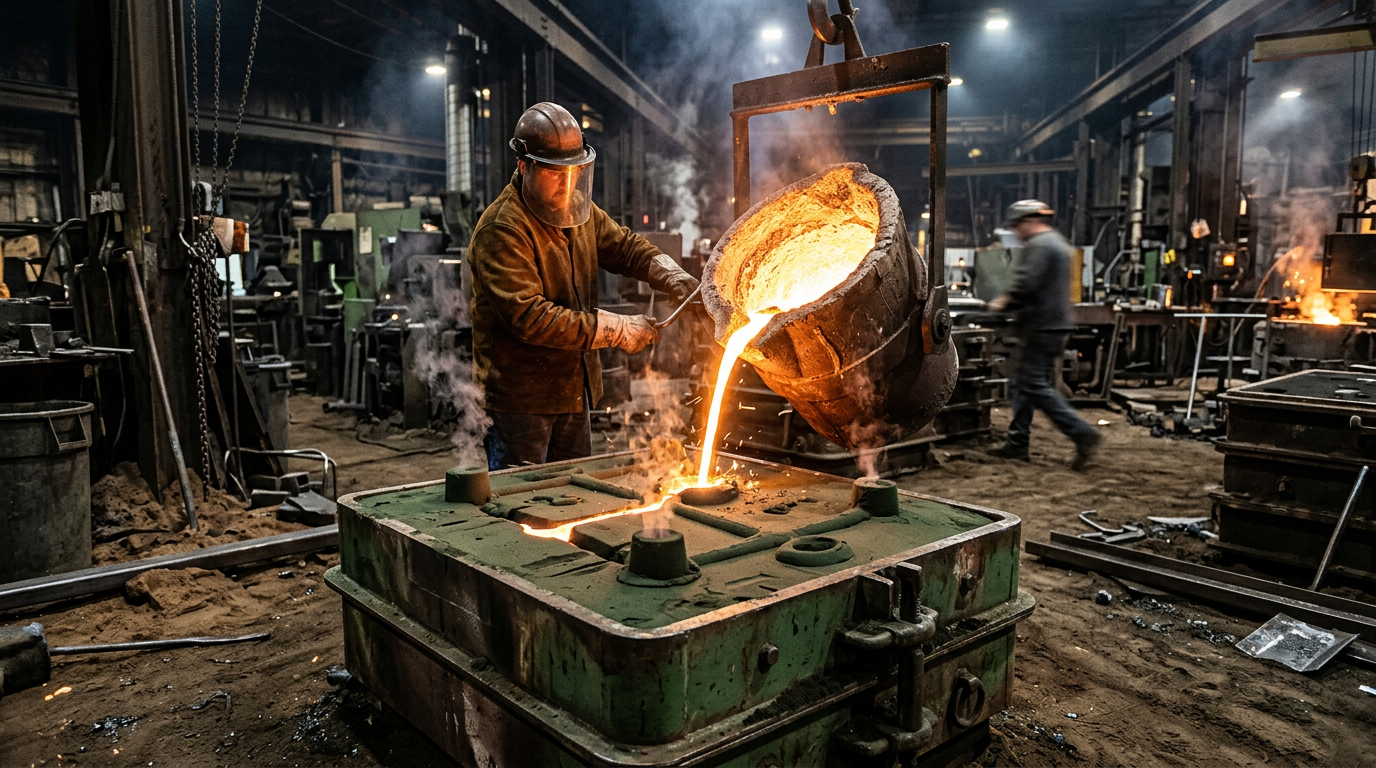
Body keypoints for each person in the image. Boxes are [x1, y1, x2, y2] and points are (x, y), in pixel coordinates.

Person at [467, 102, 699, 468]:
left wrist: (670, 273)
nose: (568, 183)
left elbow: (624, 246)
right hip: (521, 404)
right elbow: (531, 317)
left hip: (573, 391)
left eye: (575, 171)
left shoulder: (577, 208)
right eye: (556, 173)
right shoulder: (503, 228)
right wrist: (618, 329)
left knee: (575, 499)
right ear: (524, 165)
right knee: (524, 507)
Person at [986, 200, 1102, 470]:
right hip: (1054, 325)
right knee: (1023, 383)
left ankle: (1082, 433)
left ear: (1027, 222)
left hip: (1041, 326)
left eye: (1017, 227)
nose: (1017, 233)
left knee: (1033, 384)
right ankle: (1017, 442)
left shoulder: (1040, 245)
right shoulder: (1059, 243)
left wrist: (1004, 302)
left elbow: (1028, 283)